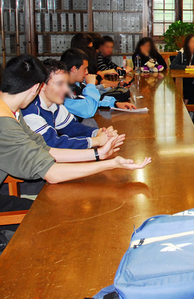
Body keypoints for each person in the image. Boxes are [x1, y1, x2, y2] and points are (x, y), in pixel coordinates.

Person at [0, 56, 151, 230]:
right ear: (37, 88)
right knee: (58, 218)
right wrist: (110, 164)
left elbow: (46, 149)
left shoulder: (12, 112)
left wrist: (98, 154)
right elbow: (52, 173)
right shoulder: (7, 123)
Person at [21, 60, 112, 149]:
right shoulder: (30, 110)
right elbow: (52, 144)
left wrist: (97, 132)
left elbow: (71, 127)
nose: (67, 90)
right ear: (42, 85)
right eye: (60, 84)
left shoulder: (54, 104)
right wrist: (95, 141)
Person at [61, 48, 137, 119]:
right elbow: (88, 111)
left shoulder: (78, 84)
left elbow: (96, 100)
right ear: (74, 69)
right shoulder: (62, 92)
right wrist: (91, 85)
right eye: (84, 69)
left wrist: (115, 103)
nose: (87, 72)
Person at [170, 34, 194, 114]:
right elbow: (173, 65)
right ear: (188, 43)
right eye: (192, 42)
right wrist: (186, 67)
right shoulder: (182, 53)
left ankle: (189, 107)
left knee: (191, 83)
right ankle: (188, 107)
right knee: (189, 83)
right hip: (181, 79)